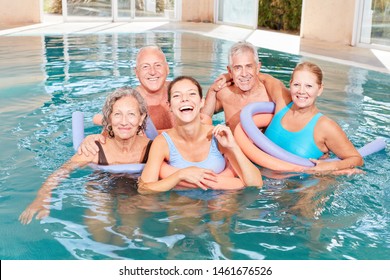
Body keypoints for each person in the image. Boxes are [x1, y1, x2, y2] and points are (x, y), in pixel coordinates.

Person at [19, 87, 152, 224]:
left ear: (141, 118)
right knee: (99, 223)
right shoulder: (94, 148)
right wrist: (42, 197)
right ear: (109, 119)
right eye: (117, 114)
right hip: (101, 187)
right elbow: (62, 171)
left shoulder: (153, 148)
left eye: (131, 114)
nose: (124, 121)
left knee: (131, 224)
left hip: (139, 188)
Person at [137, 76, 262, 194]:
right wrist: (181, 175)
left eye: (191, 94)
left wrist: (233, 147)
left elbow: (256, 184)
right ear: (169, 106)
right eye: (176, 95)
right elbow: (144, 189)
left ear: (201, 102)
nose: (184, 99)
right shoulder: (162, 143)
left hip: (221, 202)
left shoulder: (218, 136)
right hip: (183, 206)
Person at [264, 61, 363, 173]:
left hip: (297, 186)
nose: (301, 91)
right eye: (296, 84)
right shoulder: (282, 103)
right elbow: (264, 78)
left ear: (320, 89)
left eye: (309, 86)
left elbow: (357, 159)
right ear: (290, 84)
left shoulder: (325, 126)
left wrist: (331, 166)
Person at [201, 41, 290, 131]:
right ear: (230, 71)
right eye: (238, 68)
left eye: (249, 66)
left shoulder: (271, 96)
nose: (244, 74)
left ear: (258, 68)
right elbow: (202, 119)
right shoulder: (225, 95)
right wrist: (212, 91)